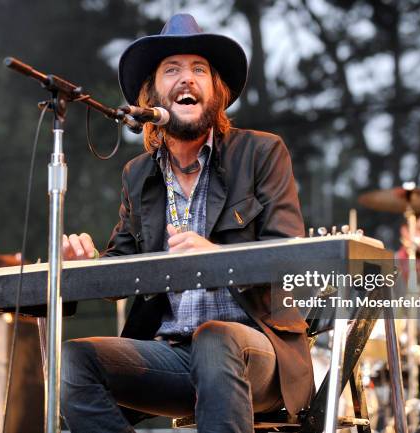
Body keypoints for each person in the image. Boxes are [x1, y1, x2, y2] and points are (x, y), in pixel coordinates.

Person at [59, 14, 313, 433]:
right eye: (172, 70)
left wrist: (218, 258)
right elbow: (122, 265)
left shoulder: (262, 153)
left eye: (199, 70)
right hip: (174, 355)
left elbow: (287, 259)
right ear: (152, 96)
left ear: (217, 91)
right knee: (76, 360)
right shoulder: (137, 175)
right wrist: (82, 265)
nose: (186, 79)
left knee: (215, 337)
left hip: (258, 352)